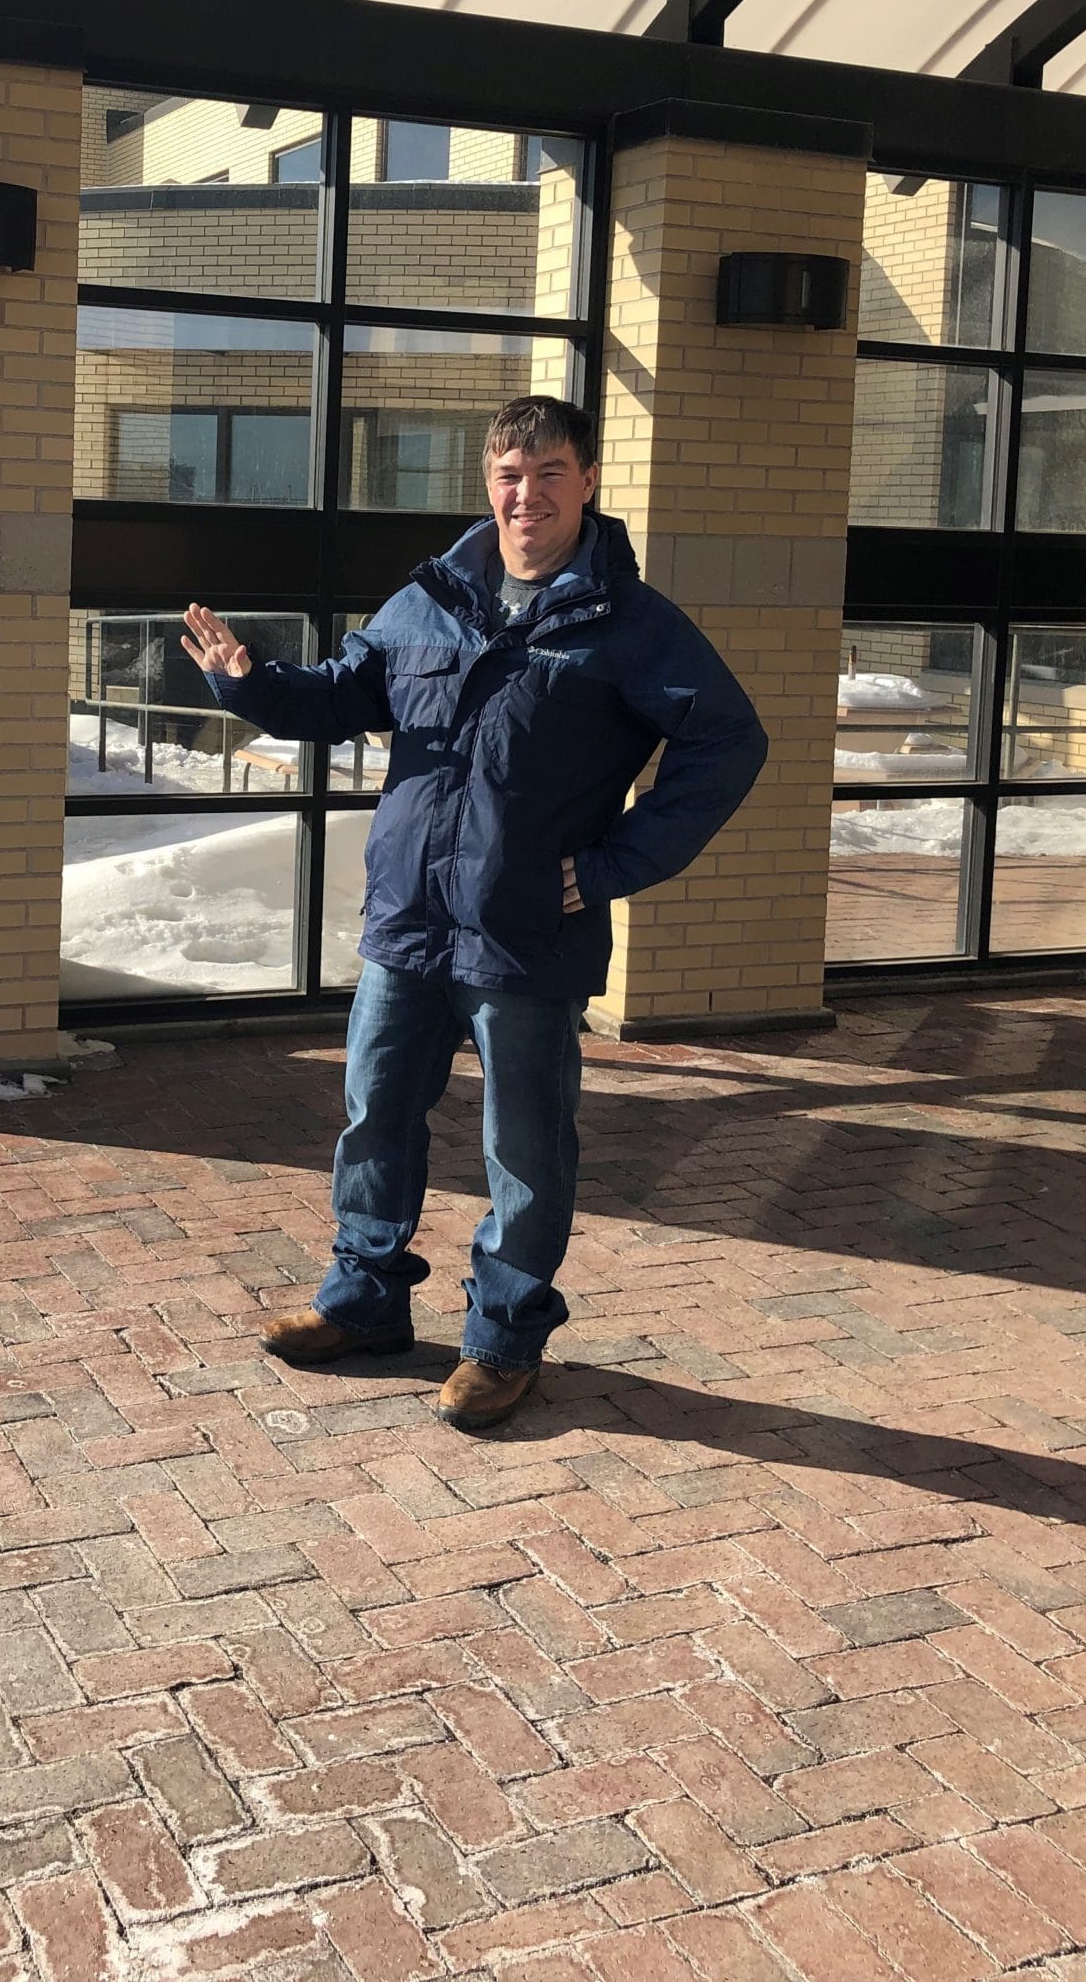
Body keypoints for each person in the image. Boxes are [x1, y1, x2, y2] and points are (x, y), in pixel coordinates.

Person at [181, 395, 767, 1433]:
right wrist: (250, 682)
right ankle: (364, 1304)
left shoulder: (632, 625)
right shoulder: (433, 599)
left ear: (587, 481)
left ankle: (502, 1342)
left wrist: (620, 861)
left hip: (526, 931)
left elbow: (729, 743)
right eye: (508, 471)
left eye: (548, 471)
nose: (525, 492)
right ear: (486, 483)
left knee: (526, 1149)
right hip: (410, 922)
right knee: (374, 1115)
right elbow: (339, 695)